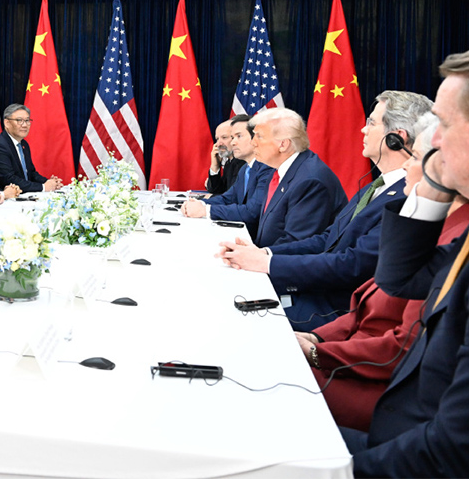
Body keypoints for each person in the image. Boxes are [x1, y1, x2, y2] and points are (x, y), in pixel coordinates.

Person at [296, 114, 469, 433]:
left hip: (375, 385)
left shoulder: (454, 237)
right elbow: (364, 304)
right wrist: (317, 336)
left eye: (415, 157)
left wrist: (316, 352)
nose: (405, 166)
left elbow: (403, 345)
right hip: (349, 355)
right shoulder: (431, 223)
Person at [343, 51, 469, 477]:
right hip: (401, 432)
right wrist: (431, 188)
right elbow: (401, 277)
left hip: (410, 449)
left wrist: (331, 472)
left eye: (445, 125)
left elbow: (452, 448)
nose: (430, 142)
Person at [218, 92, 433, 330]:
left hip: (336, 310)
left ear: (396, 137)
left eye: (371, 122)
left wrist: (267, 264)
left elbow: (353, 265)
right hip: (317, 292)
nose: (363, 129)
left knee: (232, 317)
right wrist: (265, 253)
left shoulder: (407, 197)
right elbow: (325, 240)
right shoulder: (374, 187)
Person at [241, 108, 347, 248]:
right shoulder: (281, 170)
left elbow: (299, 242)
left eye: (259, 136)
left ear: (283, 144)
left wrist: (259, 255)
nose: (253, 142)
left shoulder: (310, 180)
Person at [182, 114, 273, 238]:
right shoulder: (245, 169)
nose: (233, 142)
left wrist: (206, 210)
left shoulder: (267, 168)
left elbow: (252, 212)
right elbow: (228, 198)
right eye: (232, 137)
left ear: (256, 138)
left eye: (239, 136)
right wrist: (198, 203)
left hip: (257, 242)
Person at [0, 104, 62, 193]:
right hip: (7, 200)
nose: (25, 125)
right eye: (19, 120)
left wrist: (49, 182)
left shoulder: (23, 144)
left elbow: (31, 173)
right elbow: (9, 179)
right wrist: (43, 187)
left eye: (27, 120)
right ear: (7, 123)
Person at [205, 119, 246, 195]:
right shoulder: (229, 162)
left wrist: (210, 198)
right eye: (217, 139)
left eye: (224, 137)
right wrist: (215, 166)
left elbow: (231, 197)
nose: (219, 144)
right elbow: (216, 190)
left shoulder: (242, 162)